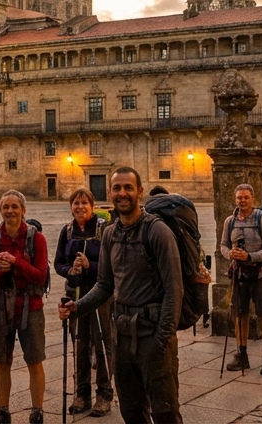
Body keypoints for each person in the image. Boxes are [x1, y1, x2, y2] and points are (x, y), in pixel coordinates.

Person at [60, 167, 182, 424]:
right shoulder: (110, 234)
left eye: (128, 187)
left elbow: (174, 290)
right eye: (117, 188)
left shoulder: (157, 232)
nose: (122, 193)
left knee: (164, 412)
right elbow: (104, 285)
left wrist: (162, 339)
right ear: (110, 192)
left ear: (139, 192)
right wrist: (77, 307)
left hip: (153, 334)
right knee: (132, 412)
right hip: (123, 336)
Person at [0, 190, 48, 424]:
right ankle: (3, 409)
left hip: (31, 306)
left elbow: (40, 276)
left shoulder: (36, 239)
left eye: (15, 207)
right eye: (6, 207)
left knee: (34, 360)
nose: (10, 211)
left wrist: (17, 263)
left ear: (23, 210)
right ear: (0, 210)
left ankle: (37, 409)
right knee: (2, 360)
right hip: (0, 307)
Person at [54, 188, 114, 417]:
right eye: (76, 203)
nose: (80, 207)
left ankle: (104, 393)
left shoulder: (103, 229)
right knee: (79, 342)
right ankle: (81, 393)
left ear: (92, 205)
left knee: (101, 341)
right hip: (75, 292)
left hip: (99, 293)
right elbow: (58, 262)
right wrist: (70, 270)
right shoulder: (67, 231)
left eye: (84, 203)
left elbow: (112, 264)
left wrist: (91, 266)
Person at [220, 184, 262, 376]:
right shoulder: (230, 221)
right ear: (235, 199)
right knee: (239, 313)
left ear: (252, 198)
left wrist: (250, 257)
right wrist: (230, 253)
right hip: (239, 274)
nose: (242, 201)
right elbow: (223, 245)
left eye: (245, 197)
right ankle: (241, 354)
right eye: (239, 198)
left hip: (260, 273)